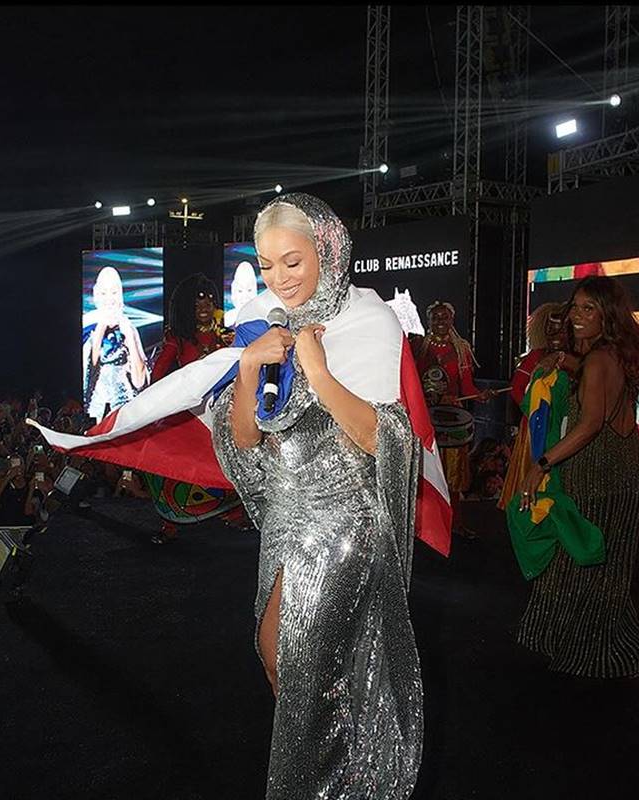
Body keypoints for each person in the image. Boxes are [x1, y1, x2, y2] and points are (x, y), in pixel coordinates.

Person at [212, 194, 424, 798]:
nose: (279, 279)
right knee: (277, 652)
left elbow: (381, 437)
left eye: (293, 263)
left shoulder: (368, 319)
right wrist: (251, 367)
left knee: (299, 663)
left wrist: (320, 371)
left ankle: (322, 782)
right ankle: (341, 774)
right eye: (267, 263)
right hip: (287, 515)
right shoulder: (263, 317)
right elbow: (247, 439)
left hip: (344, 519)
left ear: (328, 251)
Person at [516, 275, 639, 678]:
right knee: (601, 556)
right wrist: (564, 360)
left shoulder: (598, 359)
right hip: (623, 463)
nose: (576, 317)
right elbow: (598, 381)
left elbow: (589, 424)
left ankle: (585, 648)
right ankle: (575, 637)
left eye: (587, 309)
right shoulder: (615, 354)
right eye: (574, 307)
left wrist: (539, 466)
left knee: (581, 554)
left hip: (598, 467)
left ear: (606, 316)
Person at [147, 274, 240, 544]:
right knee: (172, 461)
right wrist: (156, 401)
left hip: (224, 410)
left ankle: (235, 513)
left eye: (210, 300)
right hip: (191, 411)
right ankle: (169, 522)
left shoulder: (227, 333)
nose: (206, 306)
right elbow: (159, 373)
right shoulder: (177, 337)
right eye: (199, 302)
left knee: (233, 461)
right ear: (187, 307)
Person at [411, 301, 491, 534]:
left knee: (454, 476)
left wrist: (480, 395)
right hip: (426, 420)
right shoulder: (419, 348)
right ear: (428, 321)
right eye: (435, 318)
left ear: (452, 320)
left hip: (452, 421)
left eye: (444, 318)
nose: (440, 322)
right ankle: (423, 526)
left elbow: (466, 387)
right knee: (426, 473)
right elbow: (413, 384)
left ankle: (454, 524)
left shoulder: (461, 349)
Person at [499, 302, 567, 510]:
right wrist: (535, 414)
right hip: (535, 429)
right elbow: (517, 389)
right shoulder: (535, 357)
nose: (554, 332)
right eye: (550, 327)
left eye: (560, 327)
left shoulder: (573, 359)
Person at [85, 266, 149, 419]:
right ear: (97, 295)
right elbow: (89, 372)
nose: (109, 299)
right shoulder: (89, 324)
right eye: (104, 293)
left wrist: (130, 337)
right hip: (96, 409)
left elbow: (140, 381)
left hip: (124, 409)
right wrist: (101, 330)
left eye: (114, 292)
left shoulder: (129, 329)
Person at [224, 260, 260, 328]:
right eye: (240, 291)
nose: (245, 296)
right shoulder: (227, 319)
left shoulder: (262, 318)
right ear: (233, 292)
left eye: (249, 290)